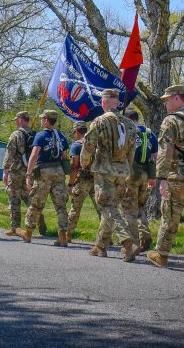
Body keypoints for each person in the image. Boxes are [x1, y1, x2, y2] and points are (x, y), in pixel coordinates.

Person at [148, 85, 184, 268]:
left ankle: (162, 254)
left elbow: (165, 151)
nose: (164, 102)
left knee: (170, 216)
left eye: (167, 99)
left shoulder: (170, 121)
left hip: (177, 177)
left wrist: (161, 178)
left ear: (178, 99)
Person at [81, 88, 138, 261]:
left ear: (104, 102)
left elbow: (89, 144)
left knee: (108, 207)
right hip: (122, 171)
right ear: (117, 103)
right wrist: (127, 168)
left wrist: (84, 161)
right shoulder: (129, 123)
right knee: (111, 207)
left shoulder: (99, 121)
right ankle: (100, 246)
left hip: (104, 171)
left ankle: (127, 242)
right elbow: (132, 150)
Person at [20, 110, 70, 246]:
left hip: (44, 172)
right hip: (59, 171)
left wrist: (28, 174)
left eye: (43, 119)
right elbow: (65, 156)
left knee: (36, 204)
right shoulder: (61, 136)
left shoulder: (40, 136)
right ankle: (62, 236)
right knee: (61, 206)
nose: (41, 121)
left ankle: (28, 233)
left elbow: (34, 155)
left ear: (47, 120)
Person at [124, 109, 157, 252]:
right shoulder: (150, 134)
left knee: (129, 208)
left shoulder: (129, 132)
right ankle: (145, 235)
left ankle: (134, 242)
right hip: (146, 173)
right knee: (140, 206)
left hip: (131, 173)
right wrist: (152, 176)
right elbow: (155, 157)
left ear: (128, 119)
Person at [3, 111, 34, 236]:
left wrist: (5, 170)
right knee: (28, 197)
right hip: (29, 171)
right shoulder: (34, 134)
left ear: (21, 120)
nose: (16, 121)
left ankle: (15, 227)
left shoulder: (16, 134)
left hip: (16, 170)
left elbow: (10, 153)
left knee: (14, 198)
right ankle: (36, 217)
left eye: (17, 119)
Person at [67, 121, 95, 238]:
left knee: (75, 208)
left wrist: (70, 184)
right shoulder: (94, 144)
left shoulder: (76, 145)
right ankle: (106, 238)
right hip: (95, 178)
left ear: (76, 132)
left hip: (82, 179)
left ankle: (67, 234)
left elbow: (74, 166)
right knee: (101, 208)